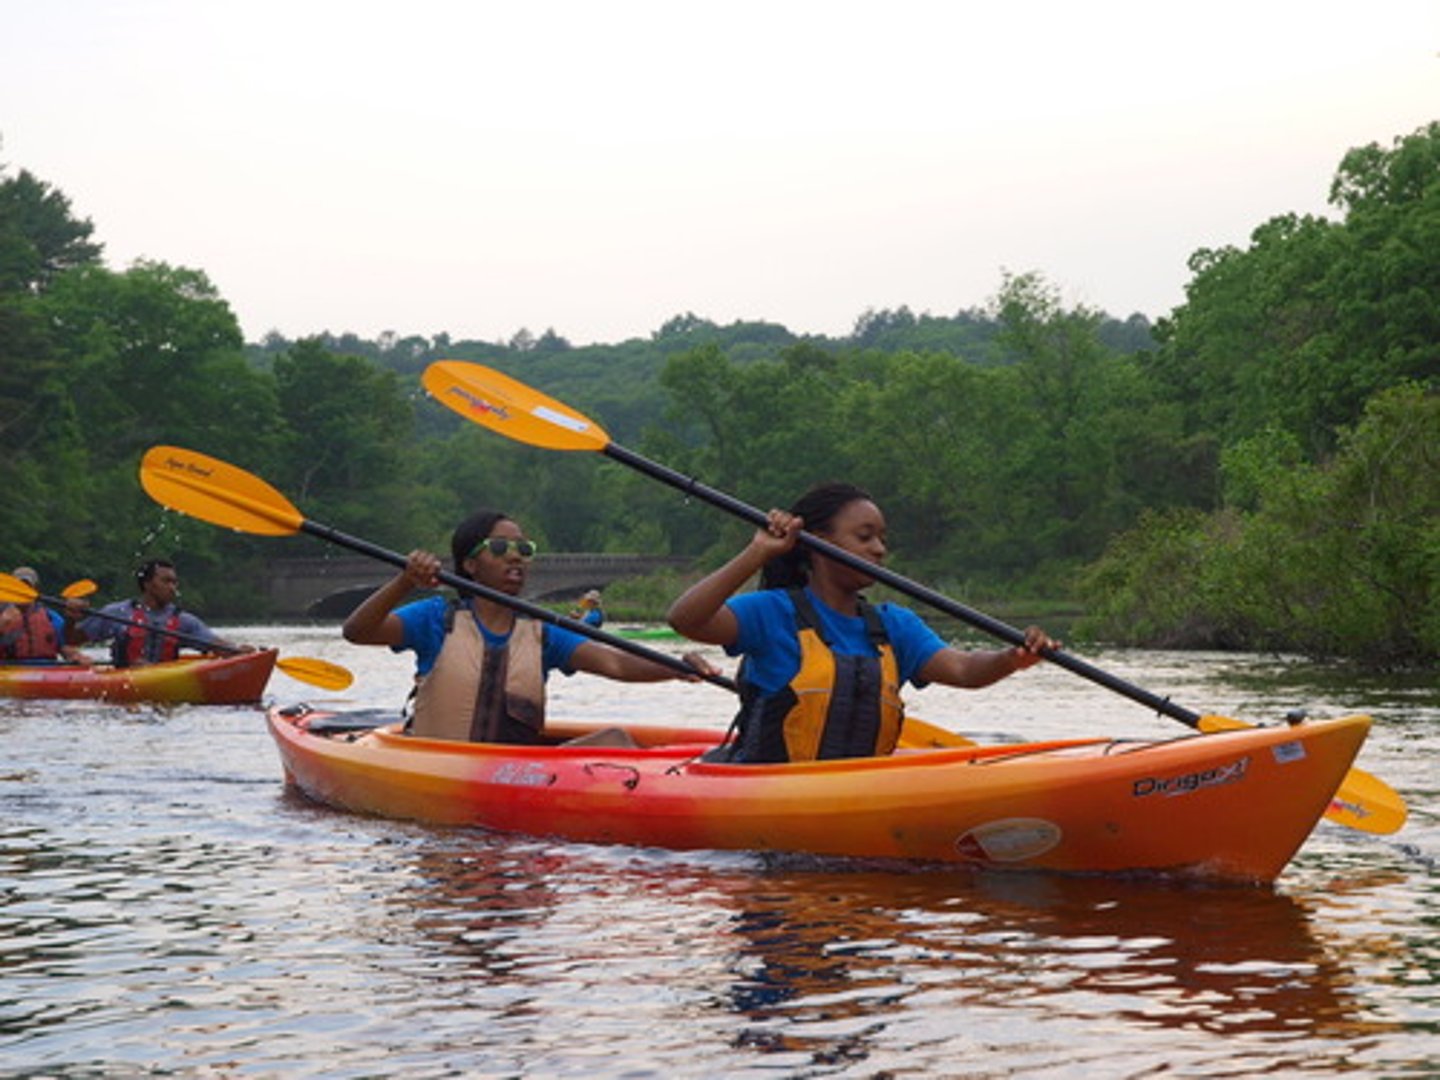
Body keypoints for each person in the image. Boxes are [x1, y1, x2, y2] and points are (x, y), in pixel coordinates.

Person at [667, 482, 1060, 764]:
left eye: (882, 539)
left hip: (861, 791)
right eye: (865, 537)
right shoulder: (771, 612)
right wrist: (757, 553)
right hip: (766, 790)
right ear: (820, 542)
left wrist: (1012, 658)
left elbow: (964, 669)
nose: (879, 549)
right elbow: (686, 619)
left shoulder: (894, 626)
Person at [343, 508, 718, 745]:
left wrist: (676, 668)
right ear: (470, 565)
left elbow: (615, 663)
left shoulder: (543, 632)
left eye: (524, 550)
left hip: (513, 775)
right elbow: (358, 631)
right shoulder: (435, 618)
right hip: (437, 766)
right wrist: (404, 582)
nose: (516, 558)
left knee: (615, 740)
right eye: (500, 548)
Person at [70, 559, 251, 667]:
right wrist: (72, 619)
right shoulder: (118, 612)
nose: (172, 587)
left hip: (165, 681)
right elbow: (73, 640)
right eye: (166, 581)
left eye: (174, 582)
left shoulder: (184, 621)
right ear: (147, 584)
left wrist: (238, 651)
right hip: (124, 682)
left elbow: (215, 644)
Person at [0, 567, 89, 664]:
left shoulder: (50, 617)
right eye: (19, 587)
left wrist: (76, 656)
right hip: (9, 668)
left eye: (28, 587)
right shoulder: (2, 615)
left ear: (35, 589)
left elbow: (66, 648)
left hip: (46, 668)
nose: (23, 591)